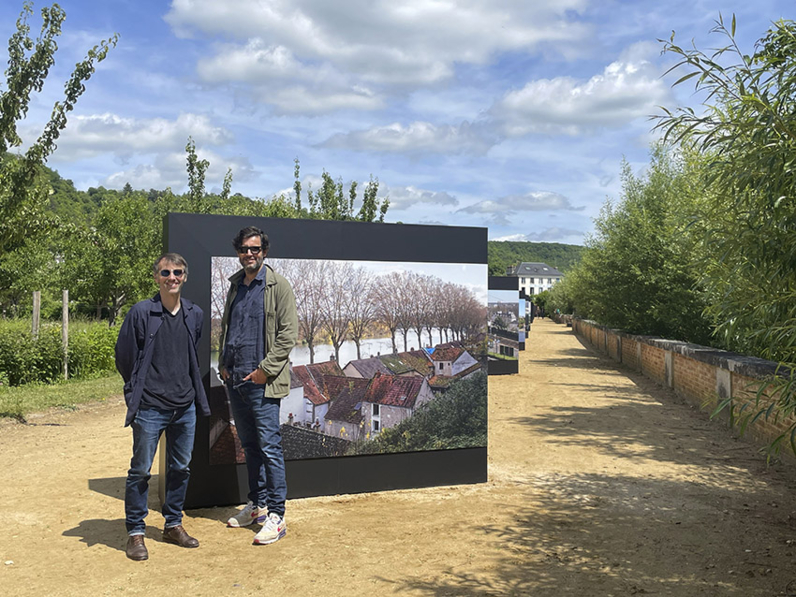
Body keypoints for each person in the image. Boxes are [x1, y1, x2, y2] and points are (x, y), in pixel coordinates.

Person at [115, 253, 211, 561]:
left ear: (185, 276)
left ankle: (173, 524)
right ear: (156, 277)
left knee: (180, 468)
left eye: (178, 272)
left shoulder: (194, 313)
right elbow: (124, 356)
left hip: (185, 407)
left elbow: (191, 352)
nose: (172, 277)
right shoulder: (142, 312)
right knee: (140, 470)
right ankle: (135, 532)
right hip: (150, 407)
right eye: (166, 272)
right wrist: (138, 390)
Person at [218, 226, 297, 545]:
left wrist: (266, 371)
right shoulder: (235, 286)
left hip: (263, 382)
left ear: (264, 251)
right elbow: (229, 328)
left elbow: (288, 334)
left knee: (269, 447)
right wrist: (224, 363)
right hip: (235, 379)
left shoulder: (279, 286)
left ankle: (277, 515)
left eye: (255, 249)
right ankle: (257, 505)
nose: (249, 254)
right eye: (244, 249)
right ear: (238, 251)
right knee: (249, 446)